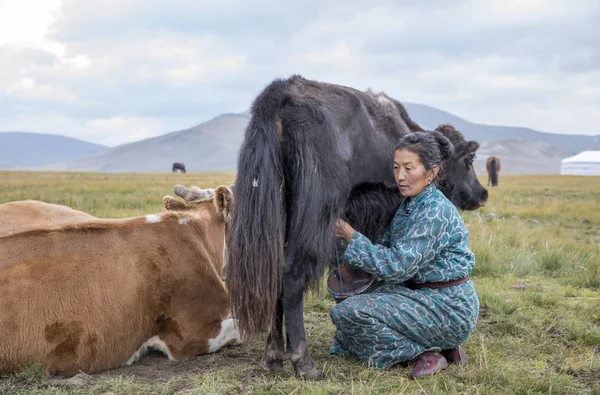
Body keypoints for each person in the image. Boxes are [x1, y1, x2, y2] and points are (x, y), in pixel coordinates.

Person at [331, 131, 479, 379]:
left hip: (447, 306)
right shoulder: (410, 205)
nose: (400, 176)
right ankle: (439, 343)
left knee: (349, 314)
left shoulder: (434, 211)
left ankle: (424, 352)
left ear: (431, 173)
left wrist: (351, 237)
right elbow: (387, 249)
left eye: (409, 168)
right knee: (346, 301)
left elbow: (399, 266)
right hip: (419, 295)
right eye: (396, 167)